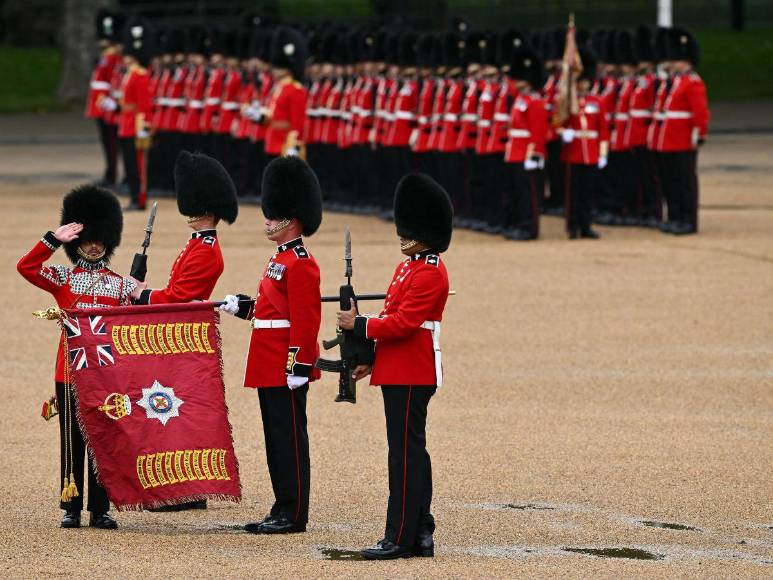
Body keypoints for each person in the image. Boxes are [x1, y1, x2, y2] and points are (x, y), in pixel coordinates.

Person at [337, 173, 452, 560]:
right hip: (398, 367)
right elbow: (392, 313)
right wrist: (370, 356)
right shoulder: (409, 267)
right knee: (409, 452)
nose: (403, 237)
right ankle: (420, 531)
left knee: (404, 455)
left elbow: (402, 324)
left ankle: (399, 537)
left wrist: (359, 325)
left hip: (413, 370)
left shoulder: (431, 271)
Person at [17, 186, 136, 529]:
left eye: (99, 239)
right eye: (87, 239)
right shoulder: (63, 277)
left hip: (105, 374)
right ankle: (71, 505)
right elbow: (26, 267)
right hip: (69, 371)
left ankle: (100, 508)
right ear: (77, 241)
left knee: (103, 442)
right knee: (72, 442)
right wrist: (52, 239)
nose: (94, 245)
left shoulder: (120, 284)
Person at [220, 157, 322, 534]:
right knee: (275, 436)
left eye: (272, 214)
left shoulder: (301, 262)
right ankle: (282, 505)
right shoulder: (279, 258)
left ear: (290, 218)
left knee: (289, 437)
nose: (266, 219)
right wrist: (243, 307)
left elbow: (306, 320)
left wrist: (298, 365)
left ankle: (294, 513)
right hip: (266, 357)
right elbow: (271, 308)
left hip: (284, 361)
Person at [652, 28, 709, 235]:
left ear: (687, 62)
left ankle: (688, 220)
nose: (673, 63)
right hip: (666, 140)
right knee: (670, 181)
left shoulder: (693, 82)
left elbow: (700, 112)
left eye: (677, 59)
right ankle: (675, 216)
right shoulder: (673, 82)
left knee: (684, 182)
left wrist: (698, 134)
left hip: (683, 139)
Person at [559, 47, 609, 239]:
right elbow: (556, 123)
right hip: (574, 152)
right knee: (573, 193)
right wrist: (564, 133)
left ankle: (586, 225)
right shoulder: (567, 102)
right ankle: (573, 226)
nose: (584, 85)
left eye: (586, 81)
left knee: (589, 193)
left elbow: (603, 129)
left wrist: (603, 153)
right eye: (580, 82)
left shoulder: (597, 102)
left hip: (592, 153)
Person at [118, 17, 152, 211]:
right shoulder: (130, 73)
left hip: (136, 125)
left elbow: (143, 105)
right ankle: (133, 196)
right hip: (126, 123)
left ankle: (139, 199)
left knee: (138, 166)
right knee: (130, 165)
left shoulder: (140, 75)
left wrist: (143, 129)